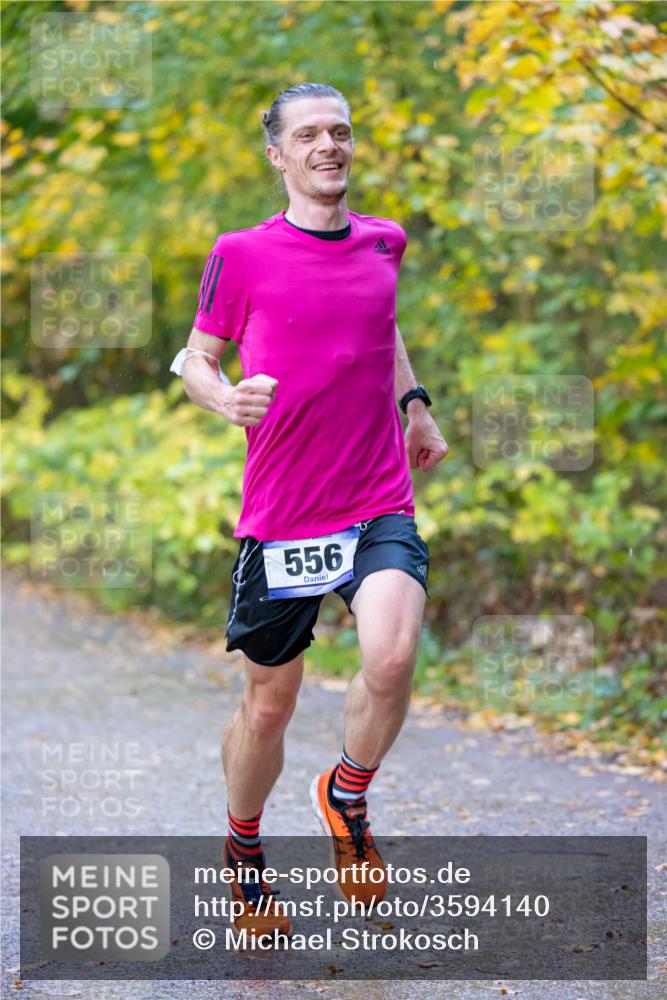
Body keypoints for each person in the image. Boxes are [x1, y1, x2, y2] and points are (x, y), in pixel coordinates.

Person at [180, 82, 448, 938]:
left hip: (375, 498)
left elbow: (381, 328)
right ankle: (244, 848)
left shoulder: (383, 242)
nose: (327, 145)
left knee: (393, 653)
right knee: (268, 705)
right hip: (284, 516)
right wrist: (221, 400)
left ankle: (347, 793)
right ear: (278, 154)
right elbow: (195, 355)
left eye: (339, 131)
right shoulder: (240, 253)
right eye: (308, 135)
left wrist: (415, 405)